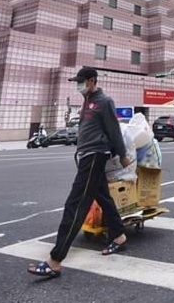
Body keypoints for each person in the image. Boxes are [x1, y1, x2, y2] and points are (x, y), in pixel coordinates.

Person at [27, 67, 131, 278]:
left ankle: (55, 260)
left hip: (95, 155)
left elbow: (114, 130)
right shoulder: (87, 102)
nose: (78, 86)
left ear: (92, 81)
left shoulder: (104, 101)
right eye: (77, 82)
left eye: (81, 81)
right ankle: (119, 235)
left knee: (75, 204)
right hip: (86, 155)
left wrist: (122, 154)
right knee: (103, 197)